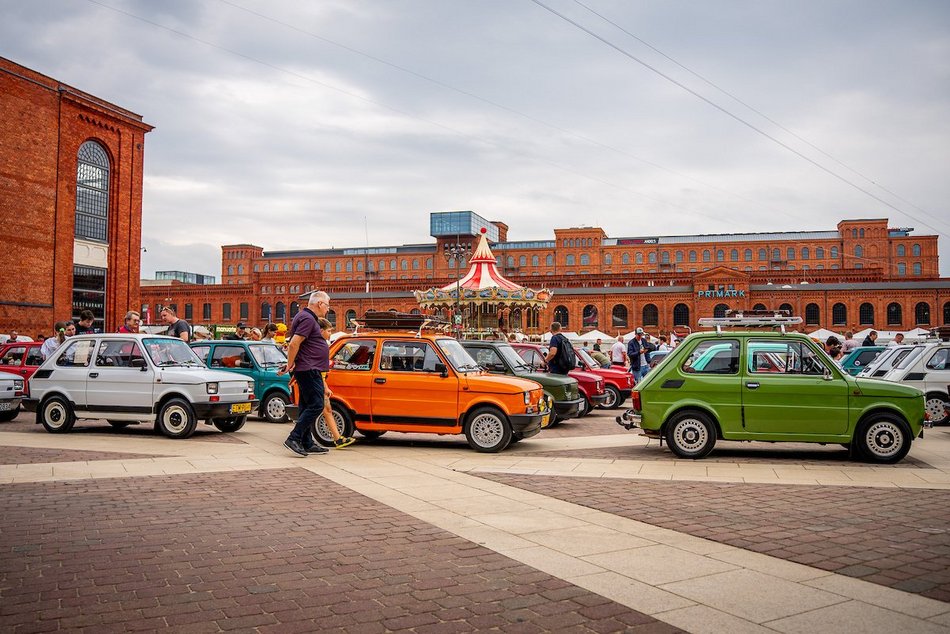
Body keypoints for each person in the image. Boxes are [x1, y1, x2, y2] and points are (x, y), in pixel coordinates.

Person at [278, 291, 334, 456]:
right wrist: (290, 365)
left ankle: (306, 442)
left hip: (307, 368)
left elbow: (299, 345)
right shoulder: (308, 319)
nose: (328, 309)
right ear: (320, 304)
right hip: (309, 369)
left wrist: (292, 363)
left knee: (306, 406)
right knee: (317, 404)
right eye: (327, 305)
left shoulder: (305, 317)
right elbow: (294, 343)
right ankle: (294, 437)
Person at [316, 317, 355, 448]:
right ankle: (298, 436)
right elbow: (319, 370)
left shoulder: (320, 345)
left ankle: (338, 439)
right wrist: (325, 387)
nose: (330, 334)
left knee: (326, 409)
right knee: (314, 410)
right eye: (328, 331)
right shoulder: (320, 346)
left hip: (319, 381)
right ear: (321, 331)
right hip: (318, 382)